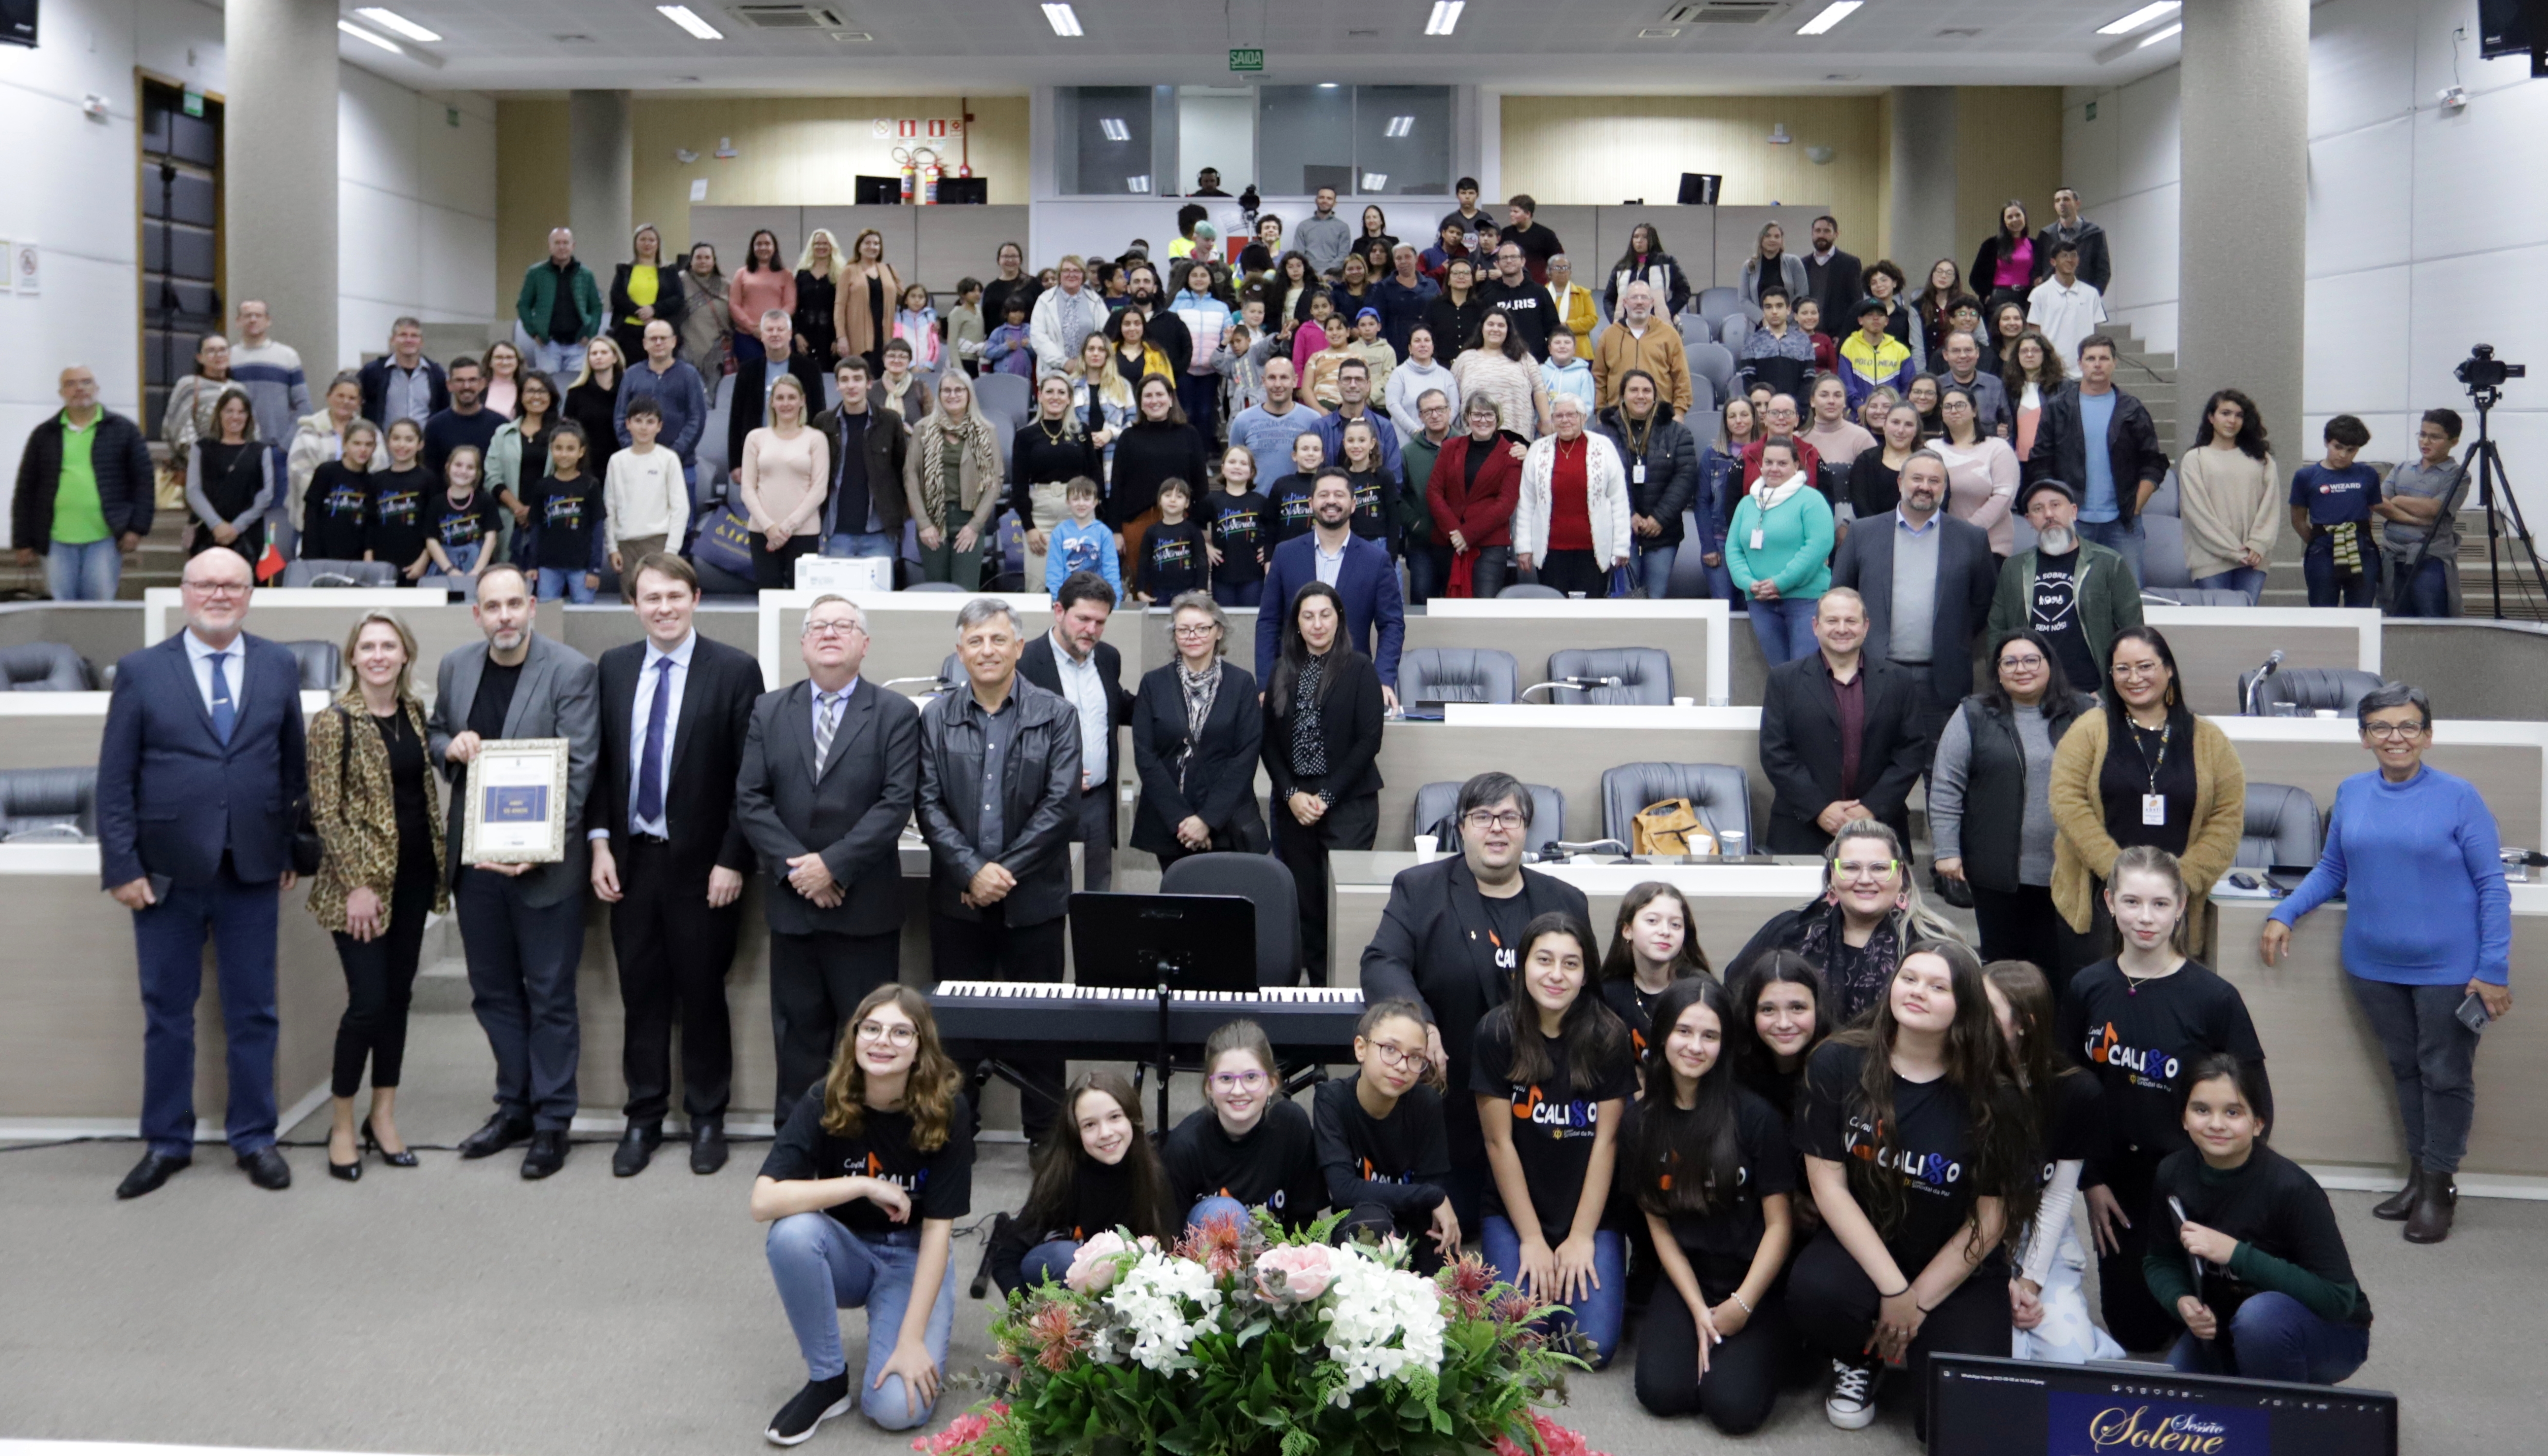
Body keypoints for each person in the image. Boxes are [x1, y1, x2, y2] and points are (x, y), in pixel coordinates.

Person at [2263, 682, 2509, 1243]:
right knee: (2405, 1070)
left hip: (2449, 970)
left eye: (2407, 726)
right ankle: (2419, 1178)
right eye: (2380, 727)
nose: (2395, 737)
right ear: (2363, 738)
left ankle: (2439, 1188)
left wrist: (2493, 968)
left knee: (2444, 1075)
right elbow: (2332, 869)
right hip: (2371, 965)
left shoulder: (2459, 796)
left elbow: (2491, 886)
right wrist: (2286, 912)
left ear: (2427, 735)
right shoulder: (2352, 792)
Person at [98, 546, 305, 1199]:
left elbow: (291, 769)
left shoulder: (277, 664)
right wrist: (122, 865)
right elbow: (115, 780)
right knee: (167, 1013)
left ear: (250, 595)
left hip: (251, 868)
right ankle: (166, 1141)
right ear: (185, 591)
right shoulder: (140, 671)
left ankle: (255, 1137)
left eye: (232, 585)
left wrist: (289, 850)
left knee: (255, 1011)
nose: (219, 595)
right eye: (207, 584)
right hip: (164, 875)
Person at [1791, 941, 2037, 1436]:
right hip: (1868, 1247)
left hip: (1957, 1262)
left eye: (1938, 986)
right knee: (1815, 1291)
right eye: (1909, 979)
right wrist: (1893, 1289)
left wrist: (1915, 1303)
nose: (1918, 991)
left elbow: (1991, 1218)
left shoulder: (1997, 1094)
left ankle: (1902, 1338)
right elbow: (1828, 1185)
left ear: (1965, 1007)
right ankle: (1859, 1357)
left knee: (1954, 1430)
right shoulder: (1837, 1061)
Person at [584, 553, 765, 1177]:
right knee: (641, 996)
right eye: (651, 598)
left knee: (703, 995)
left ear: (695, 599)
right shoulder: (613, 668)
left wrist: (732, 860)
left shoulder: (734, 670)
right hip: (631, 864)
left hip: (705, 870)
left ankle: (708, 1117)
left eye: (674, 596)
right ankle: (643, 1117)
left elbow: (750, 778)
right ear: (634, 605)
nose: (663, 608)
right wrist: (600, 844)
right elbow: (602, 766)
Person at [2056, 847, 2271, 1353]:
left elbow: (2255, 1102)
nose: (2145, 918)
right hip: (2118, 1182)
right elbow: (2066, 1094)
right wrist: (2091, 1181)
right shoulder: (2087, 987)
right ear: (2109, 903)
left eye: (2159, 904)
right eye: (2131, 902)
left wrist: (2231, 1188)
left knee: (2217, 1327)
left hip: (2194, 1176)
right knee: (2136, 1332)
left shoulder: (2213, 997)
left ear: (2180, 907)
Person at [428, 564, 601, 1180]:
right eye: (491, 607)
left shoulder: (571, 670)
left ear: (531, 606)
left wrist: (544, 844)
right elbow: (435, 731)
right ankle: (515, 1106)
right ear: (477, 614)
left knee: (550, 995)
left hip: (543, 867)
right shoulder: (456, 667)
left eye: (513, 604)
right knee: (493, 992)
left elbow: (580, 768)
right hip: (477, 862)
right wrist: (449, 748)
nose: (504, 616)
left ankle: (553, 1121)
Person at [1360, 771, 1592, 1225]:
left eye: (1509, 817)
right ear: (1462, 827)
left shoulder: (1565, 902)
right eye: (1483, 817)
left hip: (1538, 1111)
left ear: (1526, 828)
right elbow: (1381, 962)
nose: (1497, 828)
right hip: (1452, 1106)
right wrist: (1421, 1025)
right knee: (1449, 1226)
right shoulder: (1420, 889)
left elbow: (1588, 996)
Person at [754, 985, 973, 1442]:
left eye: (900, 1032)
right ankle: (827, 1380)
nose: (882, 1041)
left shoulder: (947, 1109)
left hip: (913, 1256)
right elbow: (763, 1201)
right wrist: (863, 1185)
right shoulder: (825, 1098)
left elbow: (938, 1234)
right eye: (871, 1029)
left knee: (896, 1410)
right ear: (854, 1037)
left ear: (921, 1047)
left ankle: (901, 1328)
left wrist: (910, 1341)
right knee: (792, 1233)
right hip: (848, 1252)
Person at [733, 596, 922, 1116]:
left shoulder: (896, 714)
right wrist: (802, 871)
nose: (830, 633)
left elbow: (895, 804)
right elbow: (751, 800)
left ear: (864, 644)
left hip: (865, 911)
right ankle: (797, 1146)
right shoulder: (770, 710)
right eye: (818, 626)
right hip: (794, 910)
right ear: (802, 644)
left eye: (843, 625)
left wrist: (831, 866)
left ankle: (865, 1143)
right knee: (798, 1040)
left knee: (872, 1041)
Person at [917, 598, 1080, 1137]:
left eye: (997, 639)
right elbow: (927, 803)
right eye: (975, 641)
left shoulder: (1057, 714)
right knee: (956, 1031)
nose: (987, 650)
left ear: (1019, 647)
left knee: (1042, 1029)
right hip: (957, 903)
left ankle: (1046, 1141)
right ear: (959, 652)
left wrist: (998, 874)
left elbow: (1060, 808)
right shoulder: (935, 717)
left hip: (1034, 902)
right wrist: (970, 872)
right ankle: (955, 1136)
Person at [303, 611, 444, 1182]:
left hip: (413, 877)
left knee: (398, 1000)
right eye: (368, 647)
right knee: (367, 1003)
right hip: (359, 888)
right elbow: (325, 814)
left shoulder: (414, 713)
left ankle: (382, 1116)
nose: (379, 656)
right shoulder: (333, 721)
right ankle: (341, 1123)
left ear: (406, 654)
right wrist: (357, 885)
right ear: (353, 657)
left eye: (389, 646)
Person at [1629, 977, 1797, 1433]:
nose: (1695, 1047)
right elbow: (1658, 1226)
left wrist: (1742, 1304)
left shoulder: (1755, 1117)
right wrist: (1698, 1310)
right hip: (1688, 1274)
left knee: (1732, 1409)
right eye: (1683, 1031)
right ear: (1662, 1035)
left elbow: (1780, 1226)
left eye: (1710, 1036)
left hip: (1752, 1278)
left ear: (1725, 1046)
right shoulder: (1640, 1121)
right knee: (1663, 1393)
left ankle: (1782, 1347)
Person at [1473, 912, 1634, 1368]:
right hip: (1515, 1211)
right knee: (1516, 1340)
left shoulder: (1609, 1036)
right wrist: (1530, 1238)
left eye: (1570, 963)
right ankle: (1535, 1287)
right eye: (1544, 960)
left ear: (1586, 975)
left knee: (1592, 1347)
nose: (1556, 975)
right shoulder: (1495, 1032)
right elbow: (1498, 1144)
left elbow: (1606, 1142)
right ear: (1523, 965)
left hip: (1588, 1212)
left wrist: (1581, 1236)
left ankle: (1564, 1289)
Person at [2049, 625, 2245, 959]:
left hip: (2175, 903)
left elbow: (2227, 817)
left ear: (2168, 670)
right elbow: (2067, 802)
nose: (2134, 678)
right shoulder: (2088, 730)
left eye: (2145, 666)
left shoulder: (2208, 739)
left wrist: (2177, 880)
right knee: (2098, 992)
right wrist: (2119, 873)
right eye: (2122, 669)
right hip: (2099, 899)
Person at [1932, 631, 2100, 985]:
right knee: (2004, 970)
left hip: (2071, 869)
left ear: (2049, 664)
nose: (2021, 669)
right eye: (2009, 662)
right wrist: (1947, 850)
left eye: (2031, 660)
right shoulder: (1974, 714)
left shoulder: (2085, 712)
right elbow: (1947, 785)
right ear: (1998, 671)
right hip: (1997, 873)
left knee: (2062, 970)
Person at [1984, 959, 2123, 1365]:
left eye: (1987, 1010)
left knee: (2068, 1361)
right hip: (1971, 1235)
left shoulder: (2075, 1090)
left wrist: (2029, 1283)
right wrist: (1999, 1279)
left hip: (2040, 1230)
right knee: (1998, 1360)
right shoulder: (1960, 1077)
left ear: (2024, 1023)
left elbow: (2059, 1195)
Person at [1830, 449, 1998, 762]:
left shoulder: (1971, 538)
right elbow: (1840, 597)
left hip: (1942, 680)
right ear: (1900, 483)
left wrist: (1953, 637)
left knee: (1943, 773)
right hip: (1875, 676)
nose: (1925, 487)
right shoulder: (1863, 534)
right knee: (1875, 771)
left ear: (1945, 488)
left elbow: (1982, 602)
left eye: (1935, 481)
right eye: (1917, 478)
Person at [1259, 577, 1388, 983]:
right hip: (1294, 805)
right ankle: (1316, 991)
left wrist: (1327, 797)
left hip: (1348, 803)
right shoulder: (1281, 669)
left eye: (1325, 615)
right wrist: (1291, 793)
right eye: (1308, 616)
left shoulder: (1360, 668)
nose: (1317, 624)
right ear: (1297, 624)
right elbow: (1267, 742)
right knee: (1306, 907)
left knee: (1339, 902)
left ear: (1339, 619)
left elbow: (1369, 741)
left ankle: (1345, 989)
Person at [1758, 589, 1932, 862]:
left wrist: (1872, 808)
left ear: (1866, 627)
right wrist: (1820, 809)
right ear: (1815, 626)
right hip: (1802, 828)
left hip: (1880, 828)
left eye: (1851, 621)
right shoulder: (1784, 680)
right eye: (1832, 620)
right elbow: (1775, 752)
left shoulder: (1898, 681)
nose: (1842, 629)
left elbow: (1912, 751)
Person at [989, 1069, 1177, 1296]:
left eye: (1115, 1117)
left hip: (1126, 1287)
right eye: (1090, 1125)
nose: (1106, 1133)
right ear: (1076, 1132)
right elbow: (1006, 1258)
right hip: (1065, 1278)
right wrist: (1027, 1310)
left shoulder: (1153, 1173)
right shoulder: (1062, 1175)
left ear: (1133, 1119)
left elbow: (1170, 1249)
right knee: (1068, 1258)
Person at [1125, 591, 1265, 868]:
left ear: (1219, 631)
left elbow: (1246, 756)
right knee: (1176, 894)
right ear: (1174, 634)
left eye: (1202, 628)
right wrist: (1182, 821)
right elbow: (1146, 756)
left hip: (1226, 822)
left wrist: (1207, 821)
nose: (1193, 636)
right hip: (1171, 824)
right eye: (1184, 629)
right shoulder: (1153, 684)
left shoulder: (1241, 683)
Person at [1316, 999, 1459, 1271]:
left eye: (1415, 1057)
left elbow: (1430, 1201)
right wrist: (1430, 1195)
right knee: (1372, 1223)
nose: (1402, 1066)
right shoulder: (1332, 1099)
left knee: (1444, 1258)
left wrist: (1431, 1197)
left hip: (1412, 1227)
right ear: (1361, 1048)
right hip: (1357, 1226)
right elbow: (1344, 1191)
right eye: (1390, 1050)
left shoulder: (1426, 1104)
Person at [1018, 574, 1132, 893]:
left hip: (1097, 803)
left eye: (1100, 622)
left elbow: (1118, 706)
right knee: (1045, 895)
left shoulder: (1108, 658)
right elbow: (1006, 737)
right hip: (1042, 804)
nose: (1091, 630)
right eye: (1083, 619)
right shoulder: (1025, 662)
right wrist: (1049, 774)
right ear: (1059, 611)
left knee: (1095, 896)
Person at [2025, 335, 2166, 584]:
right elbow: (2041, 462)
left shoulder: (2132, 409)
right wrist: (2055, 509)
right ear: (2080, 363)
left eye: (2104, 358)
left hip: (2123, 523)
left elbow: (2153, 462)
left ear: (2114, 363)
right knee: (2065, 591)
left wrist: (2135, 506)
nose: (2098, 364)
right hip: (2072, 522)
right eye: (2091, 359)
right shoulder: (2058, 408)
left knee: (2128, 595)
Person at [1257, 471, 1407, 699]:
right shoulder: (1285, 554)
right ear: (1311, 503)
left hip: (1354, 686)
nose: (1331, 501)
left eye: (1339, 495)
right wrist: (1266, 684)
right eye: (1324, 495)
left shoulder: (1376, 560)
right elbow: (1268, 622)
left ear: (1353, 504)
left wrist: (1383, 680)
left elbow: (1392, 625)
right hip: (1291, 686)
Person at [1165, 1020, 1325, 1232]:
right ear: (1209, 1087)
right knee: (1226, 1213)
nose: (1238, 1090)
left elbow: (1304, 1223)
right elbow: (1170, 1236)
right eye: (1226, 1079)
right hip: (1206, 1252)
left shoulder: (1292, 1126)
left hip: (1278, 1251)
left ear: (1272, 1084)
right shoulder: (1185, 1146)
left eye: (1251, 1077)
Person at [1989, 479, 2144, 693]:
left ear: (2073, 511)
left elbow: (2133, 633)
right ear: (2029, 520)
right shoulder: (2013, 568)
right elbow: (1997, 630)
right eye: (2038, 509)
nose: (2049, 514)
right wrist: (2001, 687)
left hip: (2092, 692)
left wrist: (2111, 693)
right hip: (2031, 693)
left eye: (2056, 505)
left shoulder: (2109, 563)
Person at [14, 364, 152, 601]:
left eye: (86, 382)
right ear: (61, 393)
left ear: (97, 388)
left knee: (98, 609)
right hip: (55, 540)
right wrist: (23, 541)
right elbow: (26, 489)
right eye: (71, 384)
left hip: (105, 538)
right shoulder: (44, 434)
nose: (79, 388)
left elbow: (144, 482)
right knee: (60, 610)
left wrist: (137, 528)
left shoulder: (124, 430)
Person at [1726, 438, 1835, 665]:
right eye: (1769, 462)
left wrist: (1781, 583)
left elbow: (1818, 546)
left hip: (1806, 600)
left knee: (1806, 672)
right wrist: (1749, 583)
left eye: (1782, 463)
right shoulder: (1747, 504)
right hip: (1760, 601)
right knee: (1780, 674)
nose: (1774, 468)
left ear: (1797, 466)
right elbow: (1733, 549)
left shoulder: (1812, 500)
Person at [1594, 370, 1701, 602]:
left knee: (1655, 600)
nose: (1640, 396)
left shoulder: (1678, 432)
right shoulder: (1602, 434)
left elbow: (1685, 477)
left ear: (1655, 396)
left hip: (1663, 532)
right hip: (1619, 532)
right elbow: (1598, 479)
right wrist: (1628, 516)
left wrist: (1659, 518)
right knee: (1624, 601)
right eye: (1634, 390)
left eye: (1647, 391)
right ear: (1623, 396)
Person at [1514, 394, 1632, 597]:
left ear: (1584, 418)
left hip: (1594, 553)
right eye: (1559, 416)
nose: (1565, 420)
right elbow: (1527, 503)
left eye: (1571, 415)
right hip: (1551, 552)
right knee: (1555, 609)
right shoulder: (1538, 450)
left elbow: (1619, 500)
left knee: (1590, 612)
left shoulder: (1604, 447)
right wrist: (1524, 547)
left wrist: (1621, 546)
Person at [2177, 388, 2281, 604]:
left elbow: (2271, 506)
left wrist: (2258, 544)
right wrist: (2234, 551)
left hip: (2253, 559)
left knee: (2245, 619)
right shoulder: (2195, 459)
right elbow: (2196, 513)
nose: (2232, 421)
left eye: (2239, 415)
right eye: (2225, 413)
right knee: (2217, 620)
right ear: (2211, 417)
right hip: (2210, 559)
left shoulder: (2261, 459)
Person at [902, 371, 1003, 588]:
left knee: (965, 591)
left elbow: (994, 482)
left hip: (969, 519)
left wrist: (975, 526)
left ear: (969, 394)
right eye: (946, 390)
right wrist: (924, 524)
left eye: (959, 390)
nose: (953, 395)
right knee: (938, 592)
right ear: (939, 395)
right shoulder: (923, 429)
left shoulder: (986, 431)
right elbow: (911, 477)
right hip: (932, 520)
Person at [1597, 882, 1716, 1062]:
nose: (1665, 932)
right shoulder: (1608, 994)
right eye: (1652, 921)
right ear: (1627, 930)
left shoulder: (1701, 989)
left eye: (1675, 925)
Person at [1428, 395, 1527, 601]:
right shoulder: (1450, 447)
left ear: (1498, 418)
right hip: (1450, 542)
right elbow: (1434, 491)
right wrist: (1455, 532)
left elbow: (1506, 504)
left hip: (1490, 546)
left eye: (1489, 415)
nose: (1483, 420)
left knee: (1484, 609)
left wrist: (1467, 534)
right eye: (1477, 415)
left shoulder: (1511, 454)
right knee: (1450, 610)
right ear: (1467, 417)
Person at [738, 373, 831, 592]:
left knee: (803, 601)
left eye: (792, 397)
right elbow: (747, 489)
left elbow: (819, 490)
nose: (786, 403)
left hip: (804, 532)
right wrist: (769, 527)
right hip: (763, 532)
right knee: (769, 598)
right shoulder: (756, 438)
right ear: (772, 402)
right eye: (780, 398)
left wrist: (787, 528)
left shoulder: (816, 439)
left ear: (802, 401)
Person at [2373, 408, 2470, 618]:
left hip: (2430, 557)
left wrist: (2398, 500)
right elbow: (2378, 502)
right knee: (2397, 620)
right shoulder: (2402, 468)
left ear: (2454, 442)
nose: (2426, 442)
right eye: (2423, 435)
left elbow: (2435, 509)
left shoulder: (2458, 475)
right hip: (2393, 556)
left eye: (2435, 437)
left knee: (2432, 618)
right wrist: (2415, 519)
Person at [816, 358, 913, 566]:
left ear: (869, 383)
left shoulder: (890, 421)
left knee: (880, 588)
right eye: (845, 380)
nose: (851, 386)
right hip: (837, 532)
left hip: (880, 532)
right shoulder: (824, 423)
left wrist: (898, 517)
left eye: (857, 379)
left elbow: (902, 471)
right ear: (837, 385)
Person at [728, 308, 829, 486]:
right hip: (759, 456)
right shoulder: (747, 371)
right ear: (762, 335)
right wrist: (735, 463)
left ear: (790, 334)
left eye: (780, 330)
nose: (775, 334)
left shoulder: (810, 369)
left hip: (800, 458)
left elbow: (819, 414)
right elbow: (736, 418)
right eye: (770, 330)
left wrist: (817, 460)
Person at [2290, 414, 2382, 608]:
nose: (2343, 455)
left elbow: (2370, 512)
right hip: (2323, 549)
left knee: (2362, 609)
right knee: (2323, 610)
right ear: (2326, 442)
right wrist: (2318, 540)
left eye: (2351, 450)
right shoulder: (2306, 476)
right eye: (2338, 447)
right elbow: (2298, 519)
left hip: (2361, 547)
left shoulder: (2368, 474)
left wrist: (2359, 536)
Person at [614, 319, 709, 491]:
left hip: (681, 465)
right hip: (639, 464)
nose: (658, 343)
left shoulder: (689, 375)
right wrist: (635, 449)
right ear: (645, 344)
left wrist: (673, 454)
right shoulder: (632, 375)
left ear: (674, 342)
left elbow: (697, 418)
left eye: (663, 338)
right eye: (653, 339)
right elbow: (621, 417)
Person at [183, 386, 274, 564]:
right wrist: (216, 524)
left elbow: (266, 494)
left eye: (241, 412)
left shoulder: (261, 451)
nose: (235, 417)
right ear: (219, 414)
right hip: (208, 533)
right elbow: (193, 491)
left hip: (248, 536)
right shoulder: (201, 448)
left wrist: (236, 527)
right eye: (229, 411)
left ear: (248, 417)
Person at [604, 398, 687, 584]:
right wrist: (613, 548)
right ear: (628, 424)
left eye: (650, 422)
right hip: (626, 544)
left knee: (657, 595)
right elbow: (610, 507)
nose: (644, 428)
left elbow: (680, 507)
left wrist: (671, 550)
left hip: (658, 541)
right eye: (638, 421)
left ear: (659, 426)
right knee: (630, 598)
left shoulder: (668, 459)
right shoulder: (617, 461)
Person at [1931, 385, 2021, 556]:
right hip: (1940, 546)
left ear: (1974, 411)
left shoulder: (1997, 448)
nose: (1954, 411)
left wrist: (1967, 531)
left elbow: (2004, 497)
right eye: (1948, 407)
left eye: (1960, 405)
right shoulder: (1931, 448)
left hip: (1989, 546)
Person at [484, 372, 557, 563]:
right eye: (530, 391)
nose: (536, 396)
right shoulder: (503, 433)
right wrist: (518, 509)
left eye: (543, 391)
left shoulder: (562, 433)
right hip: (511, 519)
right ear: (521, 396)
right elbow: (492, 477)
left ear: (551, 396)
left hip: (550, 518)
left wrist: (535, 511)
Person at [514, 227, 603, 377]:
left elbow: (596, 307)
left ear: (573, 246)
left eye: (566, 243)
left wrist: (590, 334)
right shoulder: (536, 273)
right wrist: (534, 333)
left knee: (577, 387)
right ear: (550, 246)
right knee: (547, 386)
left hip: (579, 345)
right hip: (548, 345)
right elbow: (524, 305)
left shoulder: (585, 274)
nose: (562, 247)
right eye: (557, 243)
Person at [1310, 356, 1407, 489]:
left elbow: (1395, 480)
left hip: (1375, 499)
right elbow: (1313, 477)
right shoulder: (1320, 428)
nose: (1353, 385)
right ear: (1338, 384)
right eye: (1347, 379)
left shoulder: (1384, 427)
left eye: (1359, 380)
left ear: (1368, 385)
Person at [1452, 311, 1548, 444]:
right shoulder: (1464, 359)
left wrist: (1547, 422)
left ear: (1509, 330)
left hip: (1516, 438)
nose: (1495, 329)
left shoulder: (1524, 358)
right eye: (1491, 324)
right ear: (1482, 328)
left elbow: (1539, 390)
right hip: (1474, 437)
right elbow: (1452, 397)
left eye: (1501, 325)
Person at [299, 420, 380, 565]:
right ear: (345, 444)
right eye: (357, 444)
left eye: (368, 445)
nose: (363, 450)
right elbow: (311, 515)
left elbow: (370, 523)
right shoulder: (326, 472)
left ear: (375, 448)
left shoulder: (372, 482)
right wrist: (312, 555)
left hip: (354, 559)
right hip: (320, 556)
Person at [2025, 242, 2106, 381]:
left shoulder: (2091, 293)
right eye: (2064, 256)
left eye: (2074, 255)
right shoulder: (2039, 294)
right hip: (2052, 372)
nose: (2070, 260)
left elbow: (2096, 332)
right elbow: (2035, 333)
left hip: (2084, 371)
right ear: (2053, 262)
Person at [367, 421, 435, 582]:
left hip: (416, 563)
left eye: (409, 440)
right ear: (388, 442)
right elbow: (370, 523)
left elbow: (433, 526)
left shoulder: (429, 479)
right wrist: (369, 558)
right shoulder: (377, 480)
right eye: (396, 438)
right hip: (381, 563)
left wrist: (424, 560)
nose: (402, 445)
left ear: (420, 444)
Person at [427, 444, 504, 583]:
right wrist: (450, 570)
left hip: (478, 565)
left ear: (477, 473)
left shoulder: (486, 501)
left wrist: (478, 571)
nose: (463, 471)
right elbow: (431, 540)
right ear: (448, 467)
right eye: (458, 465)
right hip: (444, 567)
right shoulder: (436, 502)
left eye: (470, 467)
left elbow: (491, 539)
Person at [420, 356, 502, 483]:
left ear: (482, 384)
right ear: (449, 385)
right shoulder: (435, 426)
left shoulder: (500, 425)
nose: (466, 386)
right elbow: (431, 473)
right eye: (460, 381)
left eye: (472, 380)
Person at [358, 317, 446, 428]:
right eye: (403, 335)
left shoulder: (436, 374)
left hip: (424, 439)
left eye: (414, 336)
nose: (409, 340)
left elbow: (443, 410)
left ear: (421, 342)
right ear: (393, 340)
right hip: (384, 438)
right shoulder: (373, 372)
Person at [727, 229, 796, 371]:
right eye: (759, 244)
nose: (763, 247)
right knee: (752, 375)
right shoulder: (741, 273)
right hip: (747, 336)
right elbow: (734, 305)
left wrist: (772, 327)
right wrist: (753, 328)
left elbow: (790, 305)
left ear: (774, 248)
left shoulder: (786, 275)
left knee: (781, 375)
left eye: (767, 244)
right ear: (753, 248)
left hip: (778, 336)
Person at [1030, 257, 1108, 380]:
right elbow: (1038, 336)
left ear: (1083, 275)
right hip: (1053, 372)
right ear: (1059, 275)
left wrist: (1087, 360)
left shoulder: (1095, 300)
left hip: (1089, 370)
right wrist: (1064, 362)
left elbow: (1105, 333)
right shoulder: (1045, 300)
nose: (1071, 275)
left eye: (1076, 271)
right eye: (1066, 271)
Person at [1478, 243, 1556, 361]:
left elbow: (1554, 330)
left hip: (1538, 362)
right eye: (1504, 258)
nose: (1509, 261)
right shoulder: (1489, 297)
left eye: (1514, 257)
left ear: (1523, 261)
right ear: (1497, 264)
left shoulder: (1540, 292)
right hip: (1502, 363)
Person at [1845, 400, 1921, 521]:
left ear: (1916, 430)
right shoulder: (1865, 461)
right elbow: (1860, 505)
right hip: (1874, 530)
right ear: (1885, 425)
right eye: (1895, 423)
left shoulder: (1930, 463)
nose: (1901, 430)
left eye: (1909, 425)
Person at [566, 337, 628, 481]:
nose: (598, 357)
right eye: (594, 354)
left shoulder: (628, 390)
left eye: (604, 353)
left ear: (615, 358)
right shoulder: (576, 393)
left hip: (623, 462)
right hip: (588, 465)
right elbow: (570, 430)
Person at [1838, 297, 1916, 411]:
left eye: (1880, 315)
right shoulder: (1849, 346)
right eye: (1870, 315)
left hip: (1892, 413)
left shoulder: (1901, 351)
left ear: (1887, 321)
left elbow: (1908, 387)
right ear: (1860, 320)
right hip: (1857, 415)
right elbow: (1846, 384)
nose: (1876, 318)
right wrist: (1859, 407)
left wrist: (1893, 408)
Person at [163, 332, 233, 456]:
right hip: (200, 461)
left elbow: (252, 430)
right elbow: (179, 430)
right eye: (211, 351)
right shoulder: (189, 386)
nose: (219, 355)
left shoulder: (239, 389)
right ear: (200, 358)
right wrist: (202, 460)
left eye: (223, 350)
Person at [1937, 330, 2013, 441]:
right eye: (1956, 351)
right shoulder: (1937, 386)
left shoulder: (1995, 385)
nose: (1963, 356)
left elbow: (2008, 428)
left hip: (1987, 449)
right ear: (1946, 355)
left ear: (1977, 353)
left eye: (1968, 350)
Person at [2034, 188, 2111, 294]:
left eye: (2066, 199)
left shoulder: (2094, 233)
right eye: (2058, 201)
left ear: (2077, 204)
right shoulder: (2046, 235)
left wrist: (2094, 295)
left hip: (2083, 295)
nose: (2062, 203)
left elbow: (2103, 271)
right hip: (2053, 296)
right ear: (2055, 206)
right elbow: (2038, 268)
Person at [676, 242, 733, 381]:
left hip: (717, 350)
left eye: (707, 258)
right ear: (691, 260)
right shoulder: (679, 281)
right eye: (699, 258)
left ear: (714, 261)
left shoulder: (726, 285)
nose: (703, 261)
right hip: (687, 348)